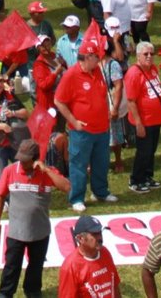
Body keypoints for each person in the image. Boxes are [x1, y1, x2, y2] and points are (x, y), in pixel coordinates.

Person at [0, 139, 66, 298]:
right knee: (12, 265)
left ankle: (32, 291)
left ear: (35, 159)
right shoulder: (10, 171)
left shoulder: (47, 173)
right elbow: (0, 196)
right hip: (16, 232)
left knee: (36, 265)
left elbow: (66, 187)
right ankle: (5, 293)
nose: (22, 162)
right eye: (20, 158)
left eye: (25, 160)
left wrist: (46, 170)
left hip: (40, 232)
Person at [56, 40, 115, 213]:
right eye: (96, 57)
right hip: (82, 131)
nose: (99, 59)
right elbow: (59, 101)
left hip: (102, 128)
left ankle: (100, 192)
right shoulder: (71, 75)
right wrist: (74, 121)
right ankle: (77, 198)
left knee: (101, 162)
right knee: (79, 165)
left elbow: (102, 94)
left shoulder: (97, 71)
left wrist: (107, 112)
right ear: (88, 57)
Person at [124, 41, 161, 193]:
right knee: (144, 151)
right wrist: (138, 123)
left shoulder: (153, 69)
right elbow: (131, 101)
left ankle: (147, 176)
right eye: (145, 54)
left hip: (155, 119)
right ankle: (136, 180)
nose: (149, 56)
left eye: (151, 54)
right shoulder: (134, 74)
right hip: (144, 120)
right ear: (138, 56)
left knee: (151, 150)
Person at [57, 215, 121, 298]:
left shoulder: (105, 252)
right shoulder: (71, 266)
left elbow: (114, 285)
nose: (100, 237)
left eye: (100, 233)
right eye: (95, 234)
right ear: (80, 238)